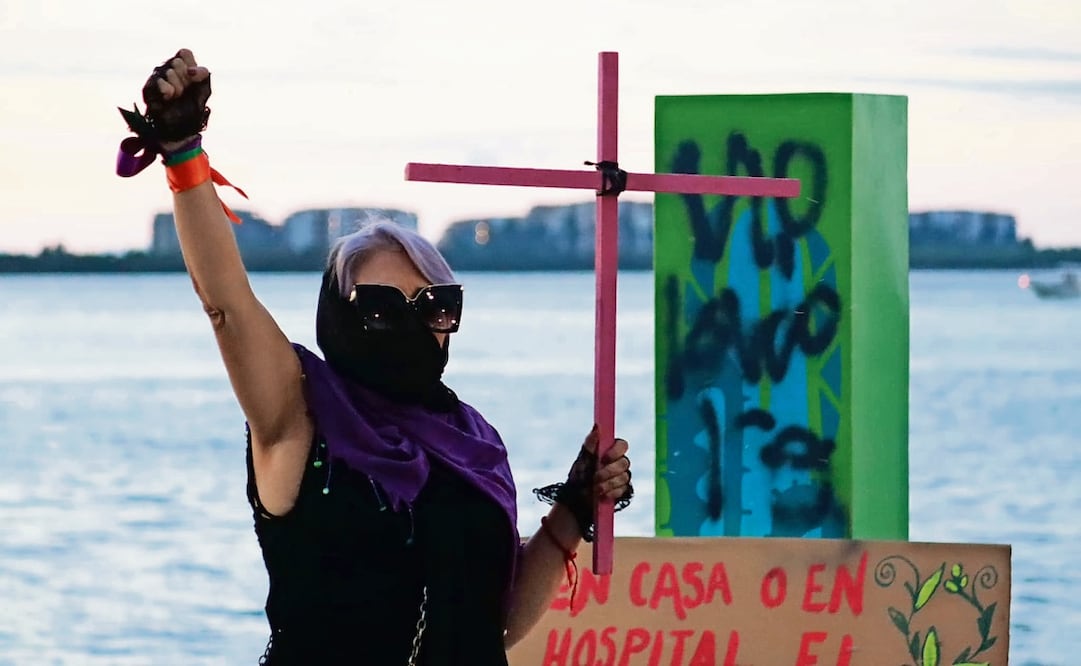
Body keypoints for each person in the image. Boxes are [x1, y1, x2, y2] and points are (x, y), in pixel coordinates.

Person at [115, 49, 634, 665]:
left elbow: (487, 626)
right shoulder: (297, 417)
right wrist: (181, 152)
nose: (414, 325)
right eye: (383, 307)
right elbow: (227, 305)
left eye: (435, 304)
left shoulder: (474, 442)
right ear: (339, 316)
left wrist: (573, 510)